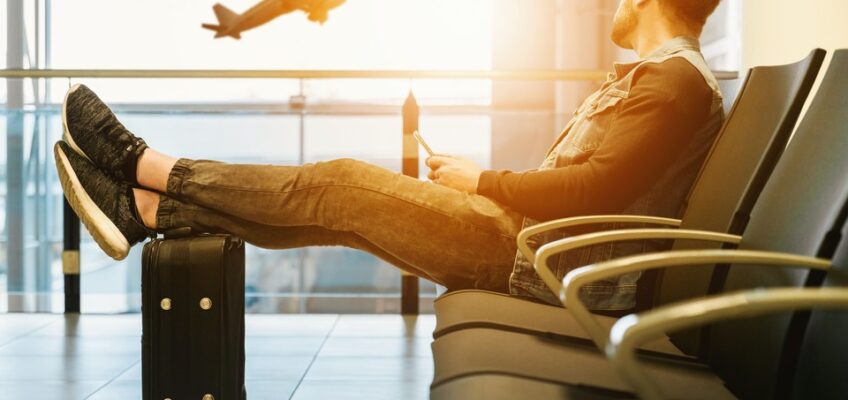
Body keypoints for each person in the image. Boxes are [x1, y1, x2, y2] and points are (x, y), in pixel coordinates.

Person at [54, 0, 724, 311]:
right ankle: (147, 209)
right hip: (529, 245)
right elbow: (593, 186)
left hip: (535, 260)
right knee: (343, 215)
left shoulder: (672, 82)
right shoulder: (664, 79)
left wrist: (484, 179)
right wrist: (484, 185)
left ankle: (143, 165)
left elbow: (595, 191)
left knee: (339, 184)